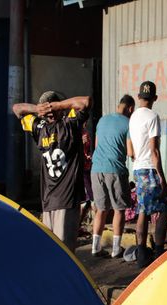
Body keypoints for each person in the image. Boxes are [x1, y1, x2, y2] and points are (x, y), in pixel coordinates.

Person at [12, 91, 92, 252]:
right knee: (64, 252)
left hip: (49, 201)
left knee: (53, 250)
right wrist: (48, 107)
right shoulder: (69, 124)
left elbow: (17, 109)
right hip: (65, 201)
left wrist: (38, 109)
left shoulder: (39, 128)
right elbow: (85, 101)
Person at [129, 80, 167, 266]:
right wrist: (162, 177)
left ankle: (141, 254)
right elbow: (154, 150)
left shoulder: (133, 116)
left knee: (143, 212)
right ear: (155, 98)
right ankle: (159, 252)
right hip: (149, 169)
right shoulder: (153, 116)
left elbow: (129, 147)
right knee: (164, 208)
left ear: (139, 97)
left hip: (137, 169)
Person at [90, 95, 135, 258]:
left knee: (101, 209)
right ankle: (116, 248)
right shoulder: (128, 123)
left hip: (96, 169)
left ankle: (95, 247)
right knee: (119, 209)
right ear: (130, 109)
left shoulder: (102, 120)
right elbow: (130, 152)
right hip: (115, 170)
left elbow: (96, 146)